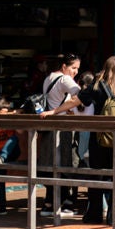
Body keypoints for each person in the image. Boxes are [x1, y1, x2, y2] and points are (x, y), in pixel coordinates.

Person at [78, 56, 115, 225]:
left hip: (100, 137)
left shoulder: (97, 86)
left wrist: (54, 111)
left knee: (97, 173)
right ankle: (114, 215)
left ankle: (94, 213)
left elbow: (78, 99)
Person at [33, 53, 82, 216]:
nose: (75, 72)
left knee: (50, 163)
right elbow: (80, 96)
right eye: (73, 68)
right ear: (64, 66)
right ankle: (65, 203)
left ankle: (49, 203)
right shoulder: (65, 79)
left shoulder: (49, 78)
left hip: (48, 127)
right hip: (63, 127)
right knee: (65, 163)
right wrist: (62, 110)